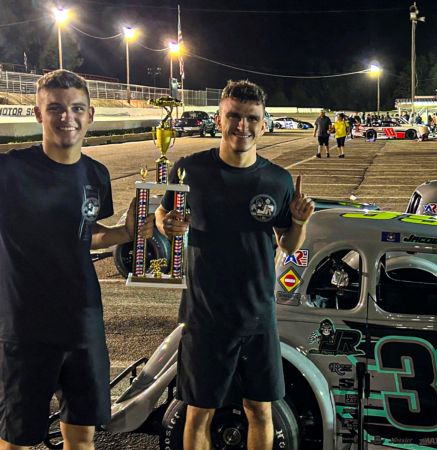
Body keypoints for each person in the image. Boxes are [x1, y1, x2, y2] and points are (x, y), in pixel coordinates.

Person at [155, 79, 314, 450]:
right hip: (205, 315)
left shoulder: (278, 179)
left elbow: (288, 245)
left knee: (260, 410)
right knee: (199, 413)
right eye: (234, 116)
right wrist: (167, 224)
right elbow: (165, 212)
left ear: (263, 124)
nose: (242, 125)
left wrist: (301, 222)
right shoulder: (190, 170)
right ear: (219, 118)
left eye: (251, 118)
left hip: (259, 315)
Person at [0, 69, 152, 450]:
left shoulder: (96, 174)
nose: (67, 117)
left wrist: (127, 232)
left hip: (83, 325)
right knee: (17, 439)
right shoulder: (10, 170)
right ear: (38, 114)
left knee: (83, 437)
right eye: (55, 108)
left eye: (76, 108)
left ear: (90, 114)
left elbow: (86, 233)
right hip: (25, 327)